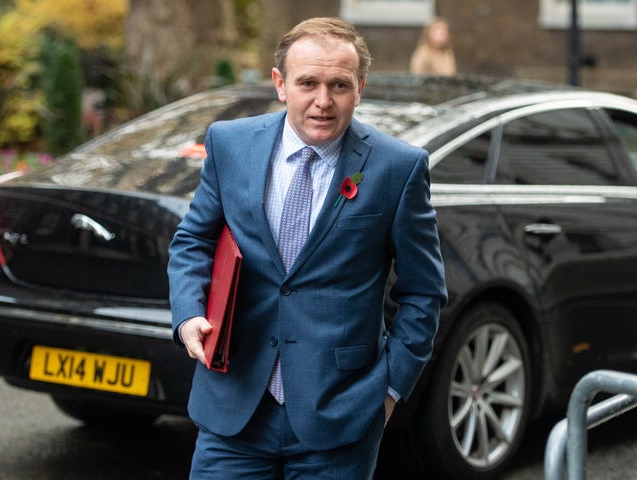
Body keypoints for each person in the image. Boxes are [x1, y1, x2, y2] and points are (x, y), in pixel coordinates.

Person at [168, 17, 447, 479]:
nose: (323, 101)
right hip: (233, 406)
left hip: (341, 416)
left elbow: (424, 292)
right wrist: (187, 314)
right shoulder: (230, 144)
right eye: (308, 83)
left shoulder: (399, 168)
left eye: (339, 85)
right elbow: (193, 239)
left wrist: (391, 391)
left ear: (360, 87)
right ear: (280, 84)